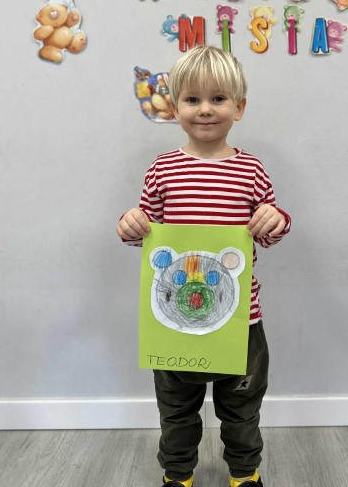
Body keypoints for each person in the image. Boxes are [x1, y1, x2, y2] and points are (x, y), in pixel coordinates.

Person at [116, 45, 291, 487]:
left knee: (242, 410)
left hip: (241, 321)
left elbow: (268, 233)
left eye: (218, 98)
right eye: (192, 99)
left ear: (239, 107)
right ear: (175, 109)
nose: (206, 109)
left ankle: (245, 473)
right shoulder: (162, 170)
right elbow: (144, 232)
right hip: (173, 325)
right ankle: (177, 475)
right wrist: (130, 223)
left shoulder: (251, 170)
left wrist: (276, 219)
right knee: (176, 410)